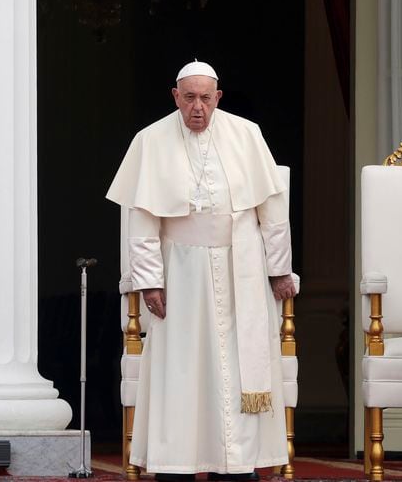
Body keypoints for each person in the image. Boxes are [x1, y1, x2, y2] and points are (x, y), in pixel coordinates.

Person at [106, 61, 296, 482]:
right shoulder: (150, 140)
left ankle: (236, 463)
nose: (197, 108)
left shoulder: (246, 134)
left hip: (240, 268)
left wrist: (279, 269)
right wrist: (150, 281)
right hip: (182, 273)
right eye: (188, 97)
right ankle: (178, 463)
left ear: (218, 98)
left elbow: (272, 211)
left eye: (205, 98)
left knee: (235, 374)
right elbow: (142, 222)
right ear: (175, 96)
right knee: (183, 372)